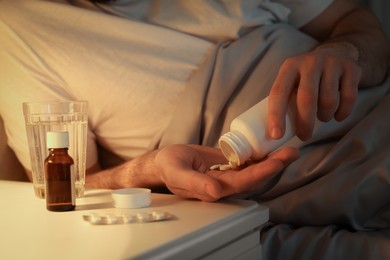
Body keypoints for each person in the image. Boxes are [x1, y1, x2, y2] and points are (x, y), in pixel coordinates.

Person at [0, 0, 389, 203]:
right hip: (320, 177)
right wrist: (150, 170)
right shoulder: (19, 25)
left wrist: (346, 52)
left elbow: (358, 21)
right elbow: (65, 194)